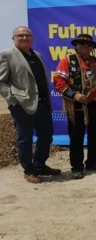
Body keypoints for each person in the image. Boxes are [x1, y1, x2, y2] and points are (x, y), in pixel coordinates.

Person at [0, 26, 60, 183]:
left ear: (32, 38)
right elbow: (1, 81)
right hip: (22, 106)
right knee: (25, 140)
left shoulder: (37, 55)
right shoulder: (6, 55)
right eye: (20, 35)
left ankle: (40, 165)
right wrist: (13, 99)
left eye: (27, 35)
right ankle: (29, 170)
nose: (24, 37)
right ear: (14, 38)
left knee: (46, 136)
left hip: (42, 104)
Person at [54, 34, 96, 179]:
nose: (85, 46)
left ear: (92, 47)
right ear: (76, 46)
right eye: (81, 44)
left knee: (95, 136)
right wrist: (76, 96)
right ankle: (77, 167)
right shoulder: (68, 61)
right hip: (77, 107)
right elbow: (59, 83)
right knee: (76, 137)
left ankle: (92, 162)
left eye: (88, 44)